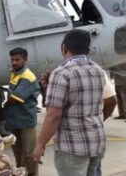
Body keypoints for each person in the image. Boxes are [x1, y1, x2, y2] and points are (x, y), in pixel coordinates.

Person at [33, 29, 108, 176]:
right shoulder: (98, 70)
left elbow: (53, 115)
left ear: (64, 48)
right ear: (87, 49)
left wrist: (40, 144)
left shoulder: (61, 73)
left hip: (73, 146)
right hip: (96, 141)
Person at [4, 47, 40, 176]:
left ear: (25, 60)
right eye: (12, 59)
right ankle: (21, 172)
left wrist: (4, 106)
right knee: (18, 152)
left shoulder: (27, 76)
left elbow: (15, 98)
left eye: (17, 59)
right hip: (15, 120)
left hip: (25, 121)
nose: (14, 62)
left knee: (29, 153)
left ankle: (32, 174)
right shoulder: (15, 72)